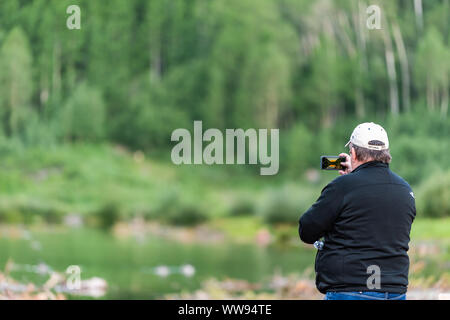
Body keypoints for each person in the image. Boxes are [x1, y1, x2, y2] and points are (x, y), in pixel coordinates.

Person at [298, 122, 416, 300]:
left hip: (350, 290)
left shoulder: (342, 187)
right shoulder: (405, 190)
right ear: (386, 153)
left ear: (352, 152)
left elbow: (306, 230)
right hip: (395, 291)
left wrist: (351, 181)